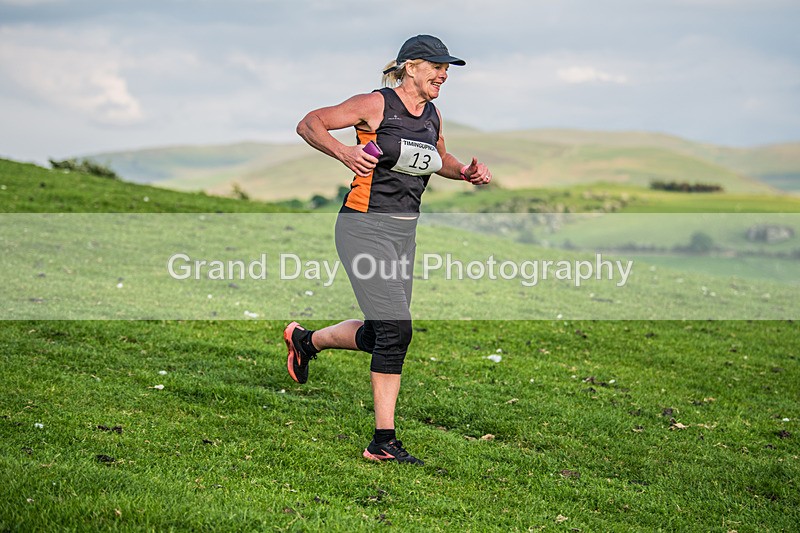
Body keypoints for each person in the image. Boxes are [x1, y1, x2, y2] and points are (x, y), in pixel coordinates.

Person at [287, 34, 491, 465]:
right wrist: (345, 153)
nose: (444, 74)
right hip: (364, 229)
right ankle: (382, 440)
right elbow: (310, 123)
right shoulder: (376, 104)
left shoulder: (432, 113)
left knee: (382, 333)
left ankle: (306, 341)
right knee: (397, 331)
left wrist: (466, 172)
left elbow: (441, 159)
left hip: (403, 236)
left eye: (446, 68)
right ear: (411, 66)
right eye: (436, 66)